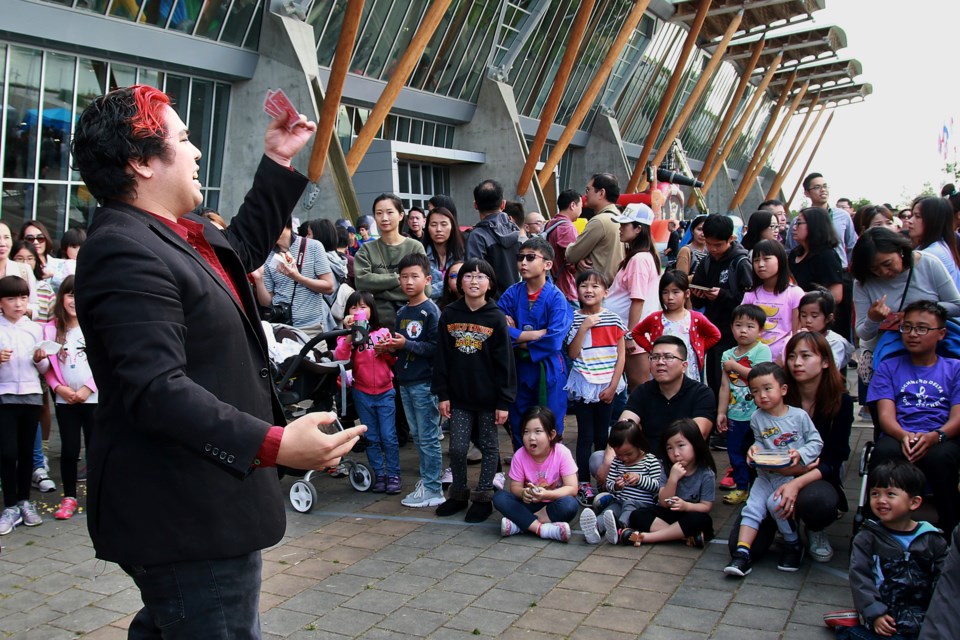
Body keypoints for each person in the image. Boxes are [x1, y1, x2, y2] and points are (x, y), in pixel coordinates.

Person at [71, 85, 363, 637]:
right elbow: (157, 390)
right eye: (182, 139)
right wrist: (275, 444)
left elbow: (241, 249)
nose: (197, 151)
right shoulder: (124, 249)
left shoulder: (174, 233)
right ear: (140, 161)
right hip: (184, 511)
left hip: (201, 505)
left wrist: (278, 159)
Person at [865, 301, 960, 537]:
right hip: (899, 433)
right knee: (884, 453)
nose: (912, 334)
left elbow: (958, 416)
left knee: (942, 458)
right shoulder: (889, 367)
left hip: (941, 435)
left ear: (941, 334)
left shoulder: (955, 368)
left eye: (922, 328)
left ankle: (950, 529)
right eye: (906, 327)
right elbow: (886, 416)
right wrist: (904, 435)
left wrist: (936, 436)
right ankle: (874, 528)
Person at [433, 259, 516, 522]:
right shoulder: (449, 314)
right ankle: (458, 494)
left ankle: (483, 497)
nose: (474, 281)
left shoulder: (495, 317)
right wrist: (442, 393)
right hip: (458, 398)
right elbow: (442, 357)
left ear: (490, 284)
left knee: (490, 447)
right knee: (457, 448)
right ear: (460, 281)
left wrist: (504, 401)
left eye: (481, 276)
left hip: (489, 399)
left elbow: (505, 363)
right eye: (468, 275)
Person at [724, 362, 824, 577]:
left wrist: (801, 454)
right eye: (755, 391)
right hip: (765, 474)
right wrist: (754, 449)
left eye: (768, 388)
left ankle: (793, 543)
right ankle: (742, 553)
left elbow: (816, 442)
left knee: (776, 504)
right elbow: (759, 441)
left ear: (783, 389)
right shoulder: (757, 418)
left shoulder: (799, 416)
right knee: (752, 507)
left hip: (789, 474)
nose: (762, 396)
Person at [844, 460, 948, 640]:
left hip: (927, 617)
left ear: (914, 502)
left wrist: (940, 615)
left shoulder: (932, 539)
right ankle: (850, 629)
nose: (881, 500)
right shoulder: (867, 538)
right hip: (887, 618)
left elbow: (945, 579)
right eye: (875, 493)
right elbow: (860, 578)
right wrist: (874, 613)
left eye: (890, 494)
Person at [379, 254, 445, 508]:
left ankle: (433, 488)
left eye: (414, 276)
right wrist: (390, 348)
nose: (408, 281)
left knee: (427, 435)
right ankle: (428, 482)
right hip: (405, 380)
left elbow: (435, 348)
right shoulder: (403, 311)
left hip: (424, 382)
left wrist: (404, 344)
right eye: (404, 276)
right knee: (418, 435)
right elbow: (403, 347)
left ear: (427, 279)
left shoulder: (430, 311)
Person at [498, 237, 573, 450]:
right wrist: (531, 335)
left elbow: (554, 339)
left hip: (548, 368)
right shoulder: (512, 293)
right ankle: (524, 471)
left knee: (550, 421)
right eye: (520, 257)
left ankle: (552, 473)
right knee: (519, 419)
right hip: (518, 368)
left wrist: (516, 337)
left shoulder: (557, 298)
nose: (523, 263)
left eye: (530, 258)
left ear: (548, 264)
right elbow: (498, 328)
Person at [565, 269, 627, 504]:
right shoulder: (574, 317)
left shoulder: (614, 318)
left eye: (595, 286)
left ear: (605, 292)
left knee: (603, 434)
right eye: (584, 286)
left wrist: (613, 386)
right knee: (585, 435)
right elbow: (572, 352)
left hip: (607, 384)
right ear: (577, 290)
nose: (589, 290)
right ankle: (583, 483)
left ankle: (604, 479)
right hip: (584, 385)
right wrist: (584, 327)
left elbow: (621, 356)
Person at [42, 276, 96, 520]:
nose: (74, 300)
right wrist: (58, 388)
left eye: (79, 294)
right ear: (62, 297)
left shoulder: (94, 326)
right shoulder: (51, 328)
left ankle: (97, 496)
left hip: (93, 398)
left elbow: (104, 362)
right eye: (70, 294)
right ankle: (69, 497)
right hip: (65, 400)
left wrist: (88, 388)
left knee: (96, 448)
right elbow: (47, 368)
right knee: (69, 449)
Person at [336, 291, 400, 495]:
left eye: (363, 307)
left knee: (389, 436)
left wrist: (388, 351)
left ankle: (393, 474)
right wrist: (348, 336)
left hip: (385, 391)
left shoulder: (382, 332)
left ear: (372, 311)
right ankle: (379, 474)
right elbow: (340, 358)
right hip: (362, 392)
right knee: (371, 436)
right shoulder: (348, 336)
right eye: (353, 308)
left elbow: (393, 361)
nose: (358, 311)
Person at [0, 275, 49, 535]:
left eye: (22, 297)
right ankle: (9, 506)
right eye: (11, 298)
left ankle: (24, 502)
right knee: (7, 453)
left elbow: (43, 367)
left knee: (27, 451)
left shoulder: (34, 328)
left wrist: (41, 358)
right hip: (5, 397)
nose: (18, 304)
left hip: (31, 396)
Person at [625, 418, 716, 548]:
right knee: (637, 515)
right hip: (669, 514)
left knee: (700, 520)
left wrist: (686, 506)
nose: (676, 453)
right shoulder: (667, 468)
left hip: (690, 515)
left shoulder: (706, 473)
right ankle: (686, 537)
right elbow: (663, 502)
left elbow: (706, 506)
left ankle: (646, 537)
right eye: (670, 448)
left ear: (695, 444)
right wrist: (673, 478)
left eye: (681, 445)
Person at [494, 406, 577, 542]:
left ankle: (520, 524)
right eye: (526, 432)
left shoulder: (562, 453)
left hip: (552, 504)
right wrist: (523, 493)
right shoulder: (520, 455)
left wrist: (547, 494)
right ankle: (543, 529)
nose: (531, 437)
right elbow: (515, 487)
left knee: (569, 505)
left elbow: (572, 488)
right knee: (499, 497)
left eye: (538, 432)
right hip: (529, 503)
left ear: (551, 434)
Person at [717, 304, 772, 506]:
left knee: (758, 452)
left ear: (760, 330)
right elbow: (725, 386)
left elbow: (760, 377)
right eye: (738, 325)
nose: (743, 330)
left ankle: (759, 488)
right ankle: (741, 487)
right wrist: (721, 412)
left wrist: (735, 366)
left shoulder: (762, 350)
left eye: (750, 326)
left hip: (757, 414)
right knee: (735, 453)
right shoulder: (727, 354)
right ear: (731, 327)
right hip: (735, 414)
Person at [692, 214, 753, 395]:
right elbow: (698, 298)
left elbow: (748, 301)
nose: (712, 249)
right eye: (709, 244)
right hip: (714, 333)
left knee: (736, 387)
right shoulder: (707, 261)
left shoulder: (741, 263)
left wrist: (723, 295)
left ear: (731, 239)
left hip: (736, 335)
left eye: (718, 245)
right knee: (715, 383)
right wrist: (698, 295)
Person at [618, 335, 716, 446]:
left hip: (685, 459)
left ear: (684, 366)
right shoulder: (641, 392)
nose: (660, 362)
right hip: (648, 460)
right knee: (599, 457)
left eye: (668, 357)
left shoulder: (702, 393)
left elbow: (697, 435)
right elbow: (623, 428)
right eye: (655, 357)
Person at [579, 419, 661, 545]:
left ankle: (621, 528)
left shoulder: (650, 461)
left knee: (628, 506)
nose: (623, 458)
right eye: (619, 454)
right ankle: (595, 528)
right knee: (611, 510)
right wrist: (616, 486)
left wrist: (640, 479)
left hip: (642, 504)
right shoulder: (617, 461)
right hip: (619, 500)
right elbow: (609, 484)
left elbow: (657, 487)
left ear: (639, 444)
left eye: (628, 454)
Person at [632, 269, 721, 384]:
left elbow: (715, 335)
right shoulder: (655, 318)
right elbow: (636, 333)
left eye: (675, 292)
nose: (670, 297)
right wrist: (651, 349)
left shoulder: (695, 318)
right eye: (665, 292)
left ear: (687, 293)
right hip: (662, 368)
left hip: (688, 368)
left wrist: (698, 348)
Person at [354, 194, 429, 326]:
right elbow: (361, 282)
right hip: (378, 324)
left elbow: (425, 289)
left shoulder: (414, 247)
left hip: (412, 321)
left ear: (400, 216)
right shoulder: (366, 249)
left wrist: (380, 290)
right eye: (379, 213)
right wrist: (399, 279)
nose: (384, 218)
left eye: (389, 212)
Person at [608, 203, 661, 387]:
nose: (620, 229)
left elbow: (637, 300)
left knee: (639, 386)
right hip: (629, 334)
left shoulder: (639, 259)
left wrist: (631, 335)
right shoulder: (640, 256)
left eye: (625, 225)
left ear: (639, 228)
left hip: (633, 337)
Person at [253, 220, 335, 335]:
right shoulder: (267, 256)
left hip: (310, 328)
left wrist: (297, 277)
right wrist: (259, 279)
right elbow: (267, 302)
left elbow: (329, 287)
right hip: (281, 328)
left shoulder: (314, 246)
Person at [742, 240, 805, 363]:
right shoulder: (751, 295)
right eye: (756, 260)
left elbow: (796, 332)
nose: (760, 264)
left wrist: (783, 359)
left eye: (766, 259)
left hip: (783, 360)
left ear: (780, 260)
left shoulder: (794, 293)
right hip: (753, 359)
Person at [565, 173, 625, 285]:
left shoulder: (600, 221)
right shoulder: (620, 218)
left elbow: (571, 255)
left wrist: (576, 256)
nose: (585, 194)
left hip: (596, 290)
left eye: (588, 190)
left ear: (601, 193)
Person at [465, 180, 521, 297]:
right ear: (503, 204)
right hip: (517, 301)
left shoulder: (477, 236)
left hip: (490, 305)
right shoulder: (516, 231)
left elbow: (473, 275)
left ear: (475, 205)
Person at [788, 207, 844, 307]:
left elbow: (836, 295)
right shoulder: (795, 253)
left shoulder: (827, 256)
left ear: (814, 226)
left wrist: (799, 296)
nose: (794, 227)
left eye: (799, 223)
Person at [906, 196, 960, 291]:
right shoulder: (942, 245)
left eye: (917, 216)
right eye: (912, 216)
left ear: (934, 220)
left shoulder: (931, 253)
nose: (910, 221)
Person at [798, 289, 854, 370]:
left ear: (828, 318)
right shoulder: (798, 337)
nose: (808, 320)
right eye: (803, 315)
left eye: (814, 316)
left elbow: (832, 367)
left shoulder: (835, 342)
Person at [543, 189, 582, 303]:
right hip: (566, 289)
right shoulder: (567, 227)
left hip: (552, 285)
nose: (581, 210)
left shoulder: (551, 223)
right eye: (580, 206)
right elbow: (571, 261)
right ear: (573, 205)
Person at [424, 205, 465, 294]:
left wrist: (429, 290)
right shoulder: (421, 253)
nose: (438, 229)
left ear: (452, 227)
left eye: (444, 224)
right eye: (433, 225)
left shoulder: (463, 252)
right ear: (427, 228)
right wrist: (449, 285)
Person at [675, 214, 708, 284]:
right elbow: (680, 280)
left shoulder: (711, 251)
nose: (703, 234)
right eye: (699, 229)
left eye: (706, 230)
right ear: (692, 231)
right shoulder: (686, 251)